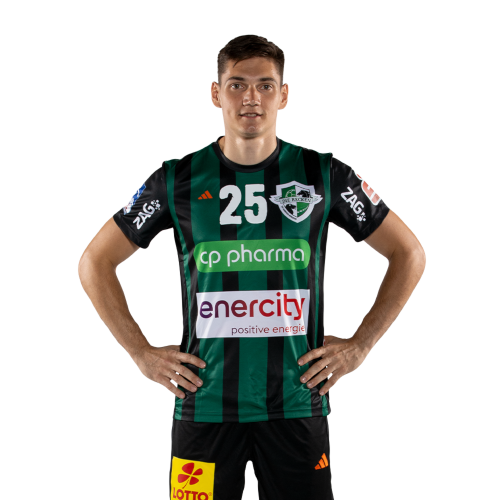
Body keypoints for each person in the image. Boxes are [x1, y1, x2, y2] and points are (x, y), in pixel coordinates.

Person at [78, 34, 426, 500]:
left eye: (265, 85)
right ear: (215, 94)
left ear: (283, 95)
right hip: (204, 407)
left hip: (296, 404)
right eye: (237, 84)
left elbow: (410, 253)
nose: (251, 98)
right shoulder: (176, 178)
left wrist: (361, 345)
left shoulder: (324, 174)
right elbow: (94, 261)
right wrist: (140, 352)